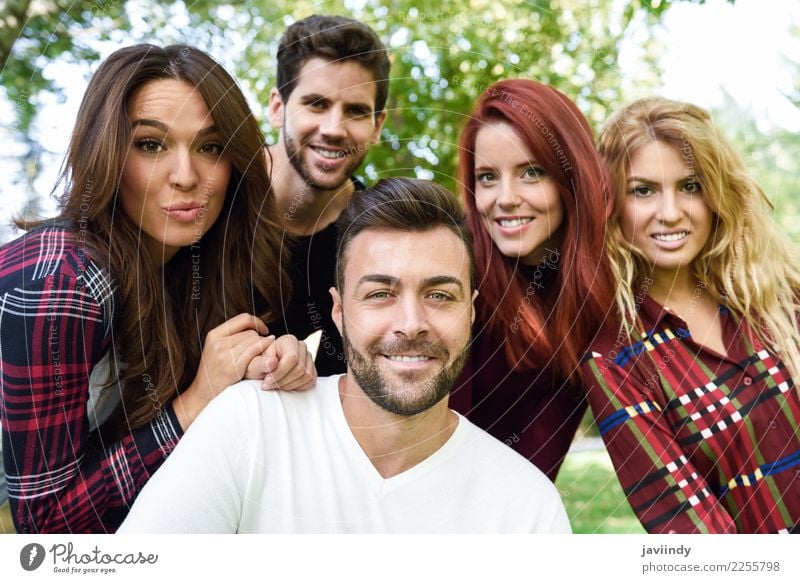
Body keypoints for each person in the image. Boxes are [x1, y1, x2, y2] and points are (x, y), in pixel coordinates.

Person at [119, 178, 571, 533]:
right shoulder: (248, 427)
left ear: (471, 312)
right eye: (379, 293)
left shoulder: (525, 504)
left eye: (439, 295)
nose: (411, 322)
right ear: (338, 310)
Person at [0, 44, 315, 534]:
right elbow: (43, 531)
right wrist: (194, 402)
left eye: (210, 147)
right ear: (105, 152)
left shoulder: (183, 269)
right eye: (151, 145)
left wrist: (265, 369)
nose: (187, 177)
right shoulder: (63, 282)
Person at [582, 97, 800, 533]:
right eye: (643, 190)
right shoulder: (616, 359)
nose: (670, 212)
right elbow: (695, 535)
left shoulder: (779, 297)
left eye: (690, 186)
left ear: (717, 192)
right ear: (612, 206)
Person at [453, 79, 615, 479]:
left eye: (531, 173)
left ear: (571, 179)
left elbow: (539, 461)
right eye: (488, 177)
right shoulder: (458, 279)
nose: (505, 198)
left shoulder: (595, 292)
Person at [257, 14, 389, 376]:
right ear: (277, 107)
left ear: (377, 126)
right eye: (316, 104)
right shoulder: (214, 196)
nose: (334, 129)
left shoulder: (376, 237)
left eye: (356, 111)